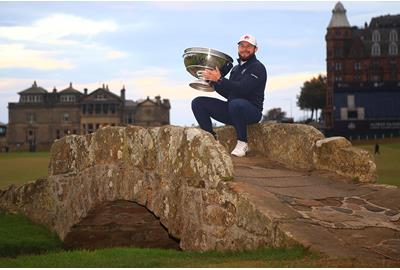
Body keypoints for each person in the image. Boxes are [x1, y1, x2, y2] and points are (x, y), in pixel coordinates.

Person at [191, 34, 267, 157]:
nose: (245, 49)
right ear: (238, 48)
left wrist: (220, 79)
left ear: (255, 49)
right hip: (233, 110)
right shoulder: (235, 69)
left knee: (236, 104)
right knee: (198, 102)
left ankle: (242, 142)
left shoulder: (258, 67)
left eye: (249, 46)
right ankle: (211, 139)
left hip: (251, 112)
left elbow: (243, 89)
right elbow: (229, 93)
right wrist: (213, 82)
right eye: (242, 46)